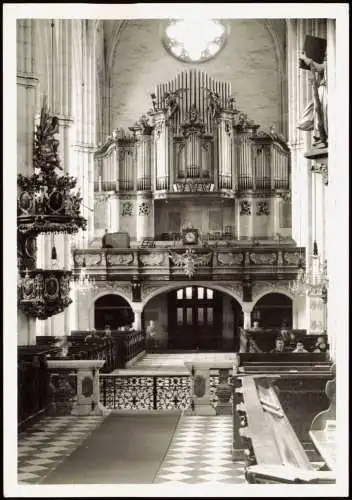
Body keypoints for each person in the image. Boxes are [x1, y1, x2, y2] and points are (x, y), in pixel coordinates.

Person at [297, 51, 328, 148]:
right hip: (321, 89)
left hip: (325, 90)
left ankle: (321, 135)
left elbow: (318, 67)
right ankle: (318, 135)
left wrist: (305, 58)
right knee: (316, 111)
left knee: (320, 111)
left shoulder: (329, 63)